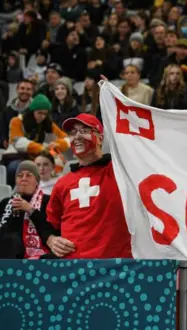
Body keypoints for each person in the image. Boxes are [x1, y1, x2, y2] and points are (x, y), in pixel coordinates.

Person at [45, 113, 132, 259]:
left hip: (114, 268)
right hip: (73, 269)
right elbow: (50, 223)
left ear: (100, 137)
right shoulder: (62, 183)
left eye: (84, 131)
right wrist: (51, 239)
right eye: (72, 132)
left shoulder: (120, 171)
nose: (77, 136)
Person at [7, 94, 69, 184]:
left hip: (40, 157)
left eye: (45, 113)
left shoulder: (48, 124)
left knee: (60, 162)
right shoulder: (17, 121)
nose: (42, 116)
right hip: (20, 156)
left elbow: (67, 138)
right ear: (32, 111)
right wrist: (41, 148)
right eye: (39, 113)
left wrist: (58, 144)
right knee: (14, 167)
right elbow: (18, 142)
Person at [0, 161, 52, 259]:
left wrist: (30, 210)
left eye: (29, 175)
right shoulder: (6, 203)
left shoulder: (47, 201)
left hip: (40, 255)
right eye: (20, 176)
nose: (24, 178)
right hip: (10, 255)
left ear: (37, 181)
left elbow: (50, 230)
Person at [0, 79, 34, 148]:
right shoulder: (7, 110)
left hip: (30, 146)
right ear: (17, 90)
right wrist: (3, 140)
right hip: (9, 147)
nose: (25, 91)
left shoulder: (36, 110)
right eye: (22, 88)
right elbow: (2, 127)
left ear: (32, 92)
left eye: (28, 89)